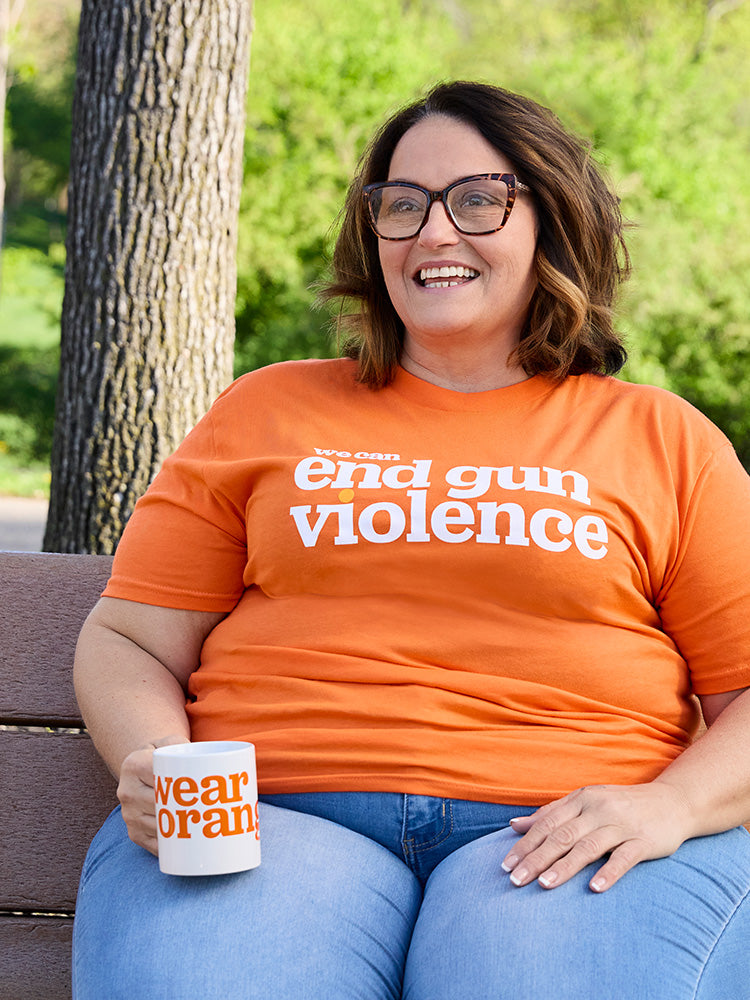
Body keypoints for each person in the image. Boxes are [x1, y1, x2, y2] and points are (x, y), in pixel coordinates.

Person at [72, 81, 750, 999]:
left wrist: (673, 805)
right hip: (268, 819)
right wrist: (155, 759)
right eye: (403, 203)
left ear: (551, 220)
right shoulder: (268, 409)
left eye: (478, 199)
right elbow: (129, 639)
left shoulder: (662, 439)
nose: (434, 232)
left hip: (565, 830)